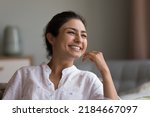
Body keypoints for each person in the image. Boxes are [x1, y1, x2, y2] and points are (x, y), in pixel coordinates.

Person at [3, 11, 119, 100]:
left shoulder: (88, 80)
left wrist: (105, 71)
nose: (79, 39)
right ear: (51, 38)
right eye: (71, 32)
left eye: (83, 35)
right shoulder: (24, 75)